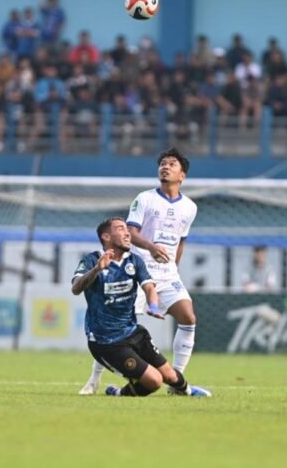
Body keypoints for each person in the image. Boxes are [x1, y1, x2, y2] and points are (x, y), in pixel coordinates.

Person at [79, 148, 199, 395]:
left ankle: (176, 382)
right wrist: (152, 247)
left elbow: (181, 240)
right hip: (139, 269)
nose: (165, 167)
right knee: (117, 325)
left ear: (182, 175)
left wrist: (173, 266)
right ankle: (93, 380)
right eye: (162, 163)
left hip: (167, 274)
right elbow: (131, 233)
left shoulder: (190, 207)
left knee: (188, 317)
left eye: (172, 164)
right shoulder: (144, 199)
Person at [72, 217, 210, 397]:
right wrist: (97, 269)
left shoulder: (134, 261)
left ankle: (186, 391)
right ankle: (118, 392)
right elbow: (76, 288)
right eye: (120, 229)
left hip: (134, 332)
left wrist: (153, 305)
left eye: (126, 229)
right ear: (106, 236)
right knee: (154, 381)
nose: (127, 233)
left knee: (169, 375)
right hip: (106, 342)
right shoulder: (91, 260)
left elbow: (149, 287)